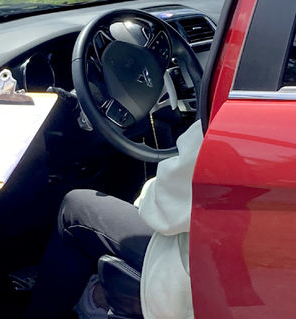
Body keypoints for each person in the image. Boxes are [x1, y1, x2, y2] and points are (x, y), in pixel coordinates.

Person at [26, 121, 203, 319]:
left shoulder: (223, 125)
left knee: (75, 208)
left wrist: (146, 194)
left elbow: (163, 208)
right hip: (223, 257)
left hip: (194, 269)